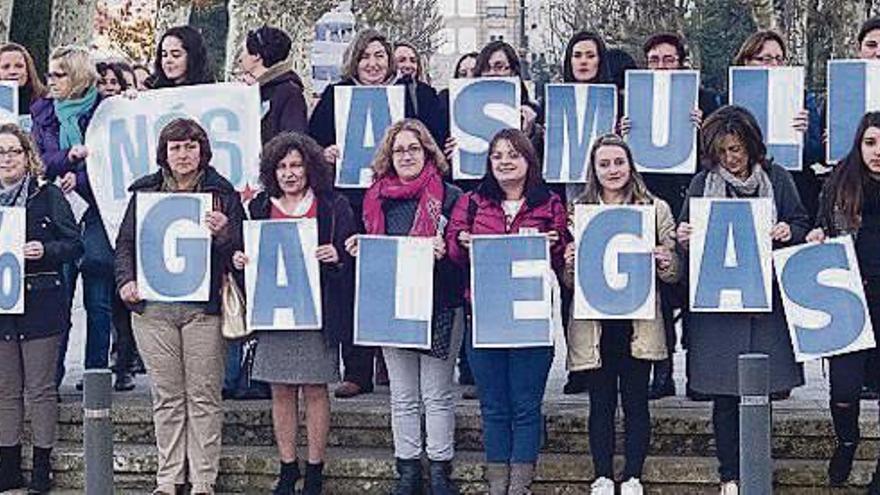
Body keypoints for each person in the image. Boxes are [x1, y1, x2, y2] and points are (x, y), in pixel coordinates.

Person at [675, 105, 809, 495]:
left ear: (751, 145)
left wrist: (789, 229)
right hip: (719, 309)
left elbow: (801, 220)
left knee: (760, 393)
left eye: (736, 149)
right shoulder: (703, 183)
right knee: (724, 394)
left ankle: (756, 466)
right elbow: (686, 241)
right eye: (722, 151)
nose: (730, 159)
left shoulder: (777, 178)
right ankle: (729, 473)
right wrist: (683, 238)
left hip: (764, 304)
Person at [308, 29, 440, 399]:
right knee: (351, 282)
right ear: (354, 60)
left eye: (380, 55)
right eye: (365, 56)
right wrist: (325, 152)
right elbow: (310, 142)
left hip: (400, 200)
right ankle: (358, 369)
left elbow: (431, 140)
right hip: (350, 201)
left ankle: (394, 360)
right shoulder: (337, 96)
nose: (373, 63)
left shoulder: (409, 96)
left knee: (399, 279)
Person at [115, 118, 244, 495]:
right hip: (153, 309)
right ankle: (168, 479)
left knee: (203, 394)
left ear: (202, 151)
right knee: (167, 397)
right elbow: (125, 244)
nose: (183, 154)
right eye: (176, 147)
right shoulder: (144, 192)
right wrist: (126, 281)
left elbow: (241, 252)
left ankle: (203, 479)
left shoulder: (223, 193)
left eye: (190, 146)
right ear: (164, 153)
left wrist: (224, 233)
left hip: (202, 309)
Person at [446, 128, 569, 494]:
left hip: (531, 320)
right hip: (484, 316)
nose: (504, 162)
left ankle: (519, 486)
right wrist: (460, 241)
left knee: (526, 405)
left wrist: (557, 244)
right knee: (494, 406)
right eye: (497, 156)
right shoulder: (471, 202)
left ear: (528, 160)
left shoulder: (550, 203)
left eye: (513, 155)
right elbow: (453, 253)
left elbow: (563, 260)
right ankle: (498, 485)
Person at [232, 132, 355, 495]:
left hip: (317, 312)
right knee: (281, 390)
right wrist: (240, 261)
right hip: (275, 315)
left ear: (310, 168)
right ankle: (288, 466)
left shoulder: (333, 206)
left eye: (296, 165)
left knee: (316, 389)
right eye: (282, 166)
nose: (289, 173)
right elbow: (244, 253)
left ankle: (314, 468)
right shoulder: (258, 207)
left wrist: (337, 257)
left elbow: (350, 252)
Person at [346, 119, 463, 494]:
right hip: (391, 305)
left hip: (440, 304)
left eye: (415, 148)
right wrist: (359, 248)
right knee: (403, 395)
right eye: (399, 149)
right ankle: (408, 470)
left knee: (436, 392)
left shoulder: (450, 196)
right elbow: (375, 249)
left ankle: (441, 468)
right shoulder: (374, 197)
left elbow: (463, 251)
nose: (407, 155)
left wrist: (448, 251)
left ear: (429, 152)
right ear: (388, 156)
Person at [562, 134, 680, 495]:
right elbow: (569, 283)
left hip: (638, 323)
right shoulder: (578, 210)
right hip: (594, 326)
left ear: (630, 166)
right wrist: (568, 265)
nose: (613, 170)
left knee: (635, 401)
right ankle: (601, 474)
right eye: (604, 164)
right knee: (600, 402)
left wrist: (666, 259)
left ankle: (632, 475)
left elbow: (676, 272)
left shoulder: (655, 208)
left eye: (619, 162)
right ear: (594, 171)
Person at [0, 123, 83, 494]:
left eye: (13, 151)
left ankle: (41, 465)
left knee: (40, 388)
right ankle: (8, 465)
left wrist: (45, 250)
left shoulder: (47, 195)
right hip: (2, 303)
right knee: (5, 388)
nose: (6, 159)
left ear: (27, 155)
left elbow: (74, 243)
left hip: (40, 299)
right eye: (0, 153)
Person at [30, 46, 112, 390]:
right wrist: (68, 158)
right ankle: (53, 374)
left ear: (78, 75)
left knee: (98, 299)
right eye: (50, 74)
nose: (51, 81)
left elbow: (112, 159)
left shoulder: (105, 110)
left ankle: (96, 375)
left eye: (59, 74)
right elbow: (41, 159)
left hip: (96, 211)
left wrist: (79, 178)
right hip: (59, 214)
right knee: (58, 298)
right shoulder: (44, 112)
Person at [806, 112, 880, 491]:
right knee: (844, 391)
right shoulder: (842, 179)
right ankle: (848, 441)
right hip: (849, 296)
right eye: (870, 142)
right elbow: (820, 221)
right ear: (859, 144)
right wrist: (817, 234)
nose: (877, 151)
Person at [554, 31, 616, 395]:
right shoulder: (556, 102)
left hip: (609, 201)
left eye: (590, 55)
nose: (583, 61)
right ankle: (579, 365)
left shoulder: (617, 102)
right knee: (572, 283)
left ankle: (609, 361)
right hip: (570, 200)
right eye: (577, 55)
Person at [732, 30, 823, 219]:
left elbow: (816, 154)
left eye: (779, 59)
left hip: (794, 188)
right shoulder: (728, 100)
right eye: (765, 59)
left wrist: (805, 134)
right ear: (746, 62)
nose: (774, 65)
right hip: (744, 188)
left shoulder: (802, 98)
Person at [238, 25, 308, 144]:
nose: (240, 58)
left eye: (244, 51)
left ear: (256, 56)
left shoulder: (290, 93)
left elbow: (293, 140)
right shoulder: (249, 90)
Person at [148, 25, 215, 89]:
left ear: (192, 57)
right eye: (164, 55)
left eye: (176, 55)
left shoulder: (209, 92)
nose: (168, 60)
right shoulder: (152, 89)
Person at [0, 43, 47, 117]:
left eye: (19, 66)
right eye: (6, 67)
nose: (13, 71)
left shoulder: (47, 101)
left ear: (28, 69)